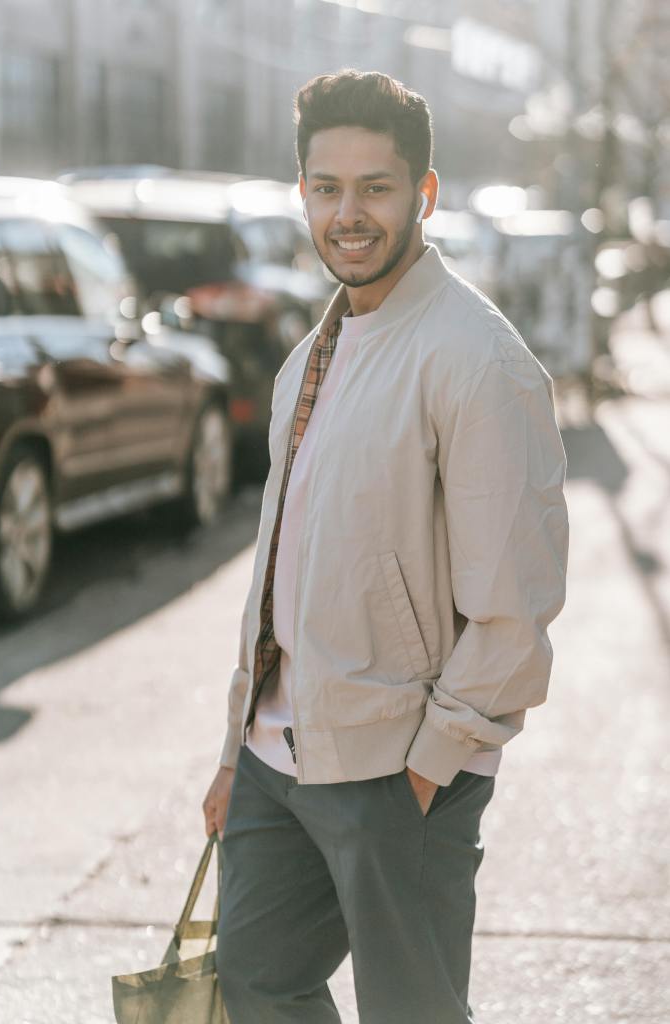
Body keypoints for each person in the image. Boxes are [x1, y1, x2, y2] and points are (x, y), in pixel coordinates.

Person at [202, 69, 569, 1023]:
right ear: (303, 195)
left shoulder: (476, 361)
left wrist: (426, 768)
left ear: (424, 194)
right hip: (278, 760)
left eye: (375, 188)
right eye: (327, 188)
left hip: (398, 769)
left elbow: (514, 612)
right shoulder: (315, 351)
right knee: (257, 982)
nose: (348, 214)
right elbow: (280, 567)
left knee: (411, 1012)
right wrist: (236, 745)